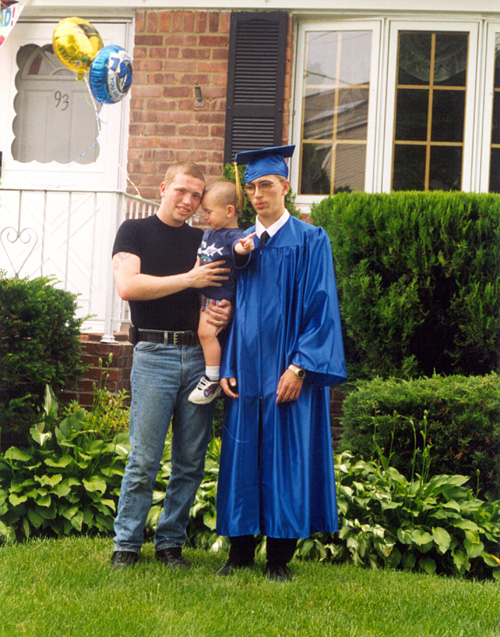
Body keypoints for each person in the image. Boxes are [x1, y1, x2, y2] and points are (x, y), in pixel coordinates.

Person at [216, 145, 347, 581]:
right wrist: (228, 363)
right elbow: (226, 310)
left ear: (286, 187)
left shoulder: (310, 241)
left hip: (289, 371)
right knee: (241, 455)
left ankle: (279, 560)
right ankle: (237, 556)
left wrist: (299, 368)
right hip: (246, 369)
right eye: (251, 187)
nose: (258, 194)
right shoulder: (239, 247)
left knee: (286, 457)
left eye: (266, 185)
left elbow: (322, 309)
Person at [110, 161, 231, 570]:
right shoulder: (134, 231)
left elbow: (225, 287)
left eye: (197, 195)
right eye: (181, 190)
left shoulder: (204, 239)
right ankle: (126, 544)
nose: (189, 200)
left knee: (190, 461)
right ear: (163, 188)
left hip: (200, 358)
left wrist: (222, 312)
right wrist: (189, 279)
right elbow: (129, 285)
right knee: (143, 459)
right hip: (154, 356)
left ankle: (170, 545)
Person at [188, 180, 256, 405]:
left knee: (206, 333)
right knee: (204, 333)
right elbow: (199, 261)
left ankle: (212, 378)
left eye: (208, 212)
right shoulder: (208, 235)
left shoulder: (231, 235)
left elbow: (238, 247)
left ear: (229, 211)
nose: (204, 216)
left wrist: (243, 247)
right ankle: (212, 375)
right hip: (204, 295)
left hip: (219, 297)